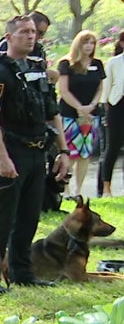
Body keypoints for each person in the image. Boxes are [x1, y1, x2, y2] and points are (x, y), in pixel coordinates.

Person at [0, 15, 70, 294]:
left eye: (33, 33)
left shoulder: (38, 69)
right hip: (11, 151)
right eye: (25, 32)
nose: (31, 37)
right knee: (2, 218)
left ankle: (22, 271)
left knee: (29, 216)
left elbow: (52, 113)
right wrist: (2, 158)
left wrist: (63, 150)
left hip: (37, 152)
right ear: (9, 37)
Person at [57, 30, 105, 199]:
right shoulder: (66, 64)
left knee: (85, 153)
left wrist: (92, 105)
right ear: (78, 44)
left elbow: (100, 87)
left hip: (91, 115)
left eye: (92, 43)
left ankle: (78, 190)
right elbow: (63, 90)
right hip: (70, 113)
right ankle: (66, 189)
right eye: (85, 43)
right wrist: (79, 107)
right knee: (70, 151)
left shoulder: (97, 64)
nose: (89, 46)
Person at [100, 32, 124, 196]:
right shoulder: (114, 62)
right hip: (117, 105)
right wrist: (105, 107)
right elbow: (106, 88)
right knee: (112, 147)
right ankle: (107, 187)